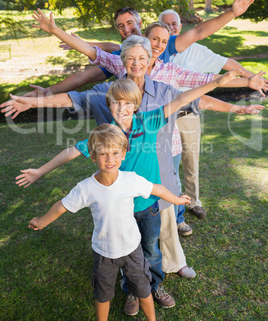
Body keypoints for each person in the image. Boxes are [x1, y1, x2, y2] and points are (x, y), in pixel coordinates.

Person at [2, 35, 264, 313]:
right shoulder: (107, 134)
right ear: (109, 104)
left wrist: (218, 83)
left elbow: (185, 97)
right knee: (128, 250)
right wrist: (40, 170)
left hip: (148, 203)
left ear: (136, 105)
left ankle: (151, 287)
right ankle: (132, 291)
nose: (122, 109)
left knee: (151, 250)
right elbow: (73, 150)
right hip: (121, 206)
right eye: (116, 105)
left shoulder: (149, 121)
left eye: (128, 105)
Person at [28, 123, 192, 321]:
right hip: (104, 252)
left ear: (123, 154)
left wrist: (177, 199)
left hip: (132, 250)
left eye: (115, 153)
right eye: (103, 154)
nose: (110, 159)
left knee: (143, 288)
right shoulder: (86, 188)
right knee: (102, 293)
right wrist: (41, 221)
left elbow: (157, 189)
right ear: (93, 156)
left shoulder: (130, 179)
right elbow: (60, 206)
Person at [24, 0, 257, 97]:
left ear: (140, 23)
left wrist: (232, 13)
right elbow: (83, 76)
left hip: (169, 115)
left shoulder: (164, 44)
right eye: (120, 26)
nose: (126, 29)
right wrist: (47, 92)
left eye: (130, 23)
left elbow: (199, 31)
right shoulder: (120, 58)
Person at [159, 8, 267, 229]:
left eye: (174, 24)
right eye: (166, 24)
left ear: (180, 26)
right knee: (165, 164)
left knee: (191, 159)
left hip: (188, 113)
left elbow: (228, 65)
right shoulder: (157, 51)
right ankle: (171, 209)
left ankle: (193, 201)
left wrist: (251, 78)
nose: (171, 28)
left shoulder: (197, 51)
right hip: (161, 118)